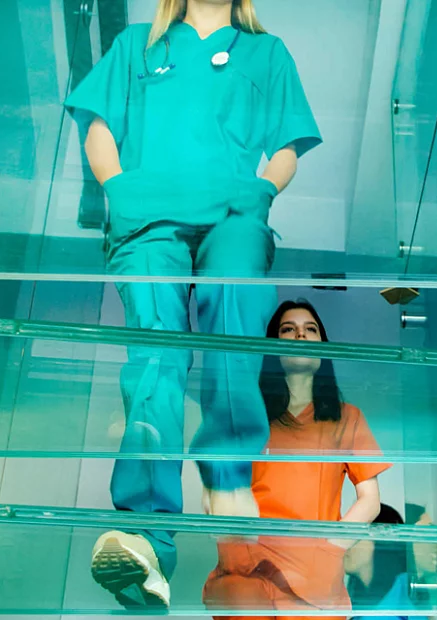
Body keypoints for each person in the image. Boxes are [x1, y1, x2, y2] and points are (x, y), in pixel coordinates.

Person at [62, 0, 321, 608]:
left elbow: (288, 142)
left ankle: (228, 477)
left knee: (233, 325)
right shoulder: (136, 45)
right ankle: (148, 538)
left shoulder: (267, 51)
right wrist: (117, 186)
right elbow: (97, 124)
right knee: (156, 349)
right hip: (147, 217)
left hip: (233, 211)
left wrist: (262, 187)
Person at [204, 299, 388, 619]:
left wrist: (332, 547)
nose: (301, 335)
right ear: (274, 347)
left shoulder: (346, 418)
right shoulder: (250, 417)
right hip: (248, 567)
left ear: (322, 348)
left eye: (310, 329)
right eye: (288, 329)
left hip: (313, 575)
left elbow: (370, 500)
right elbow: (218, 485)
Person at [346, 505, 417, 620]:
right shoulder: (387, 602)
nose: (344, 544)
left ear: (380, 542)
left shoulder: (392, 612)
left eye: (354, 535)